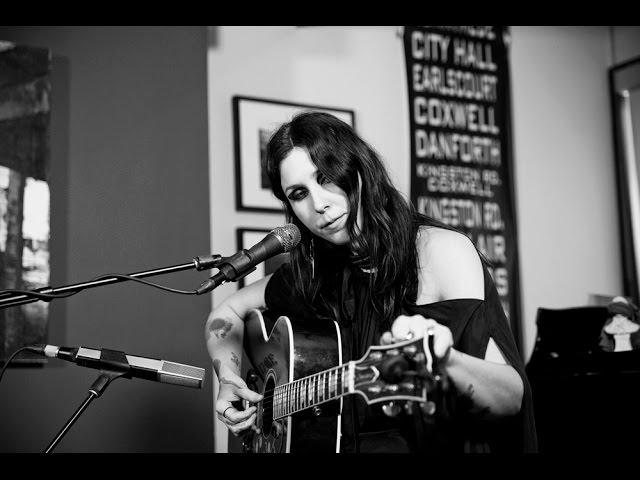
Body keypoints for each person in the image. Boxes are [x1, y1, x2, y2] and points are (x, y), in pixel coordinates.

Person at [205, 111, 537, 453]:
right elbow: (226, 312)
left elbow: (512, 398)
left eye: (326, 177)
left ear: (359, 168)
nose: (319, 204)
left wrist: (446, 360)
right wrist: (228, 379)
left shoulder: (440, 251)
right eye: (299, 194)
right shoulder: (314, 273)